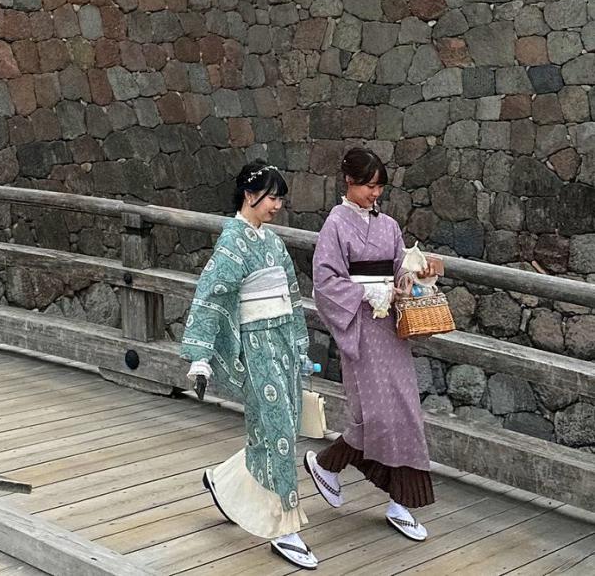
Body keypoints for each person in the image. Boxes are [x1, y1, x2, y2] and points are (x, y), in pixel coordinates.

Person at [180, 160, 319, 570]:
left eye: (280, 198)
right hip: (255, 345)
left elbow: (292, 298)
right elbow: (211, 297)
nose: (278, 205)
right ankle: (285, 529)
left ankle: (225, 482)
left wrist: (299, 346)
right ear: (249, 194)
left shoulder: (273, 243)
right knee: (275, 429)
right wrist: (200, 358)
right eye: (272, 197)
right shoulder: (231, 243)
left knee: (280, 428)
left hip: (281, 344)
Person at [305, 147, 439, 542]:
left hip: (390, 330)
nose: (374, 194)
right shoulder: (335, 226)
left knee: (405, 411)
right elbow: (326, 284)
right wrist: (370, 293)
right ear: (348, 181)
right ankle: (330, 465)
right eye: (368, 185)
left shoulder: (390, 227)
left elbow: (400, 271)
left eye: (379, 187)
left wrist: (418, 272)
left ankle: (400, 502)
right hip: (361, 327)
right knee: (376, 415)